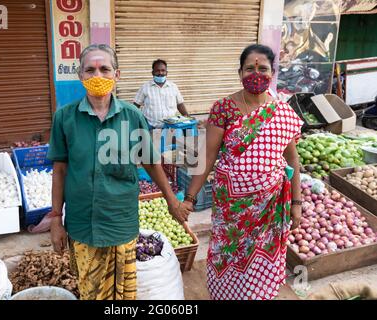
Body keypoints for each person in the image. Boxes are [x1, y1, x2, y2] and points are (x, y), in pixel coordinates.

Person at [47, 44, 190, 300]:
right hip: (82, 223)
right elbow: (60, 170)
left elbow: (151, 162)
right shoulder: (64, 118)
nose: (97, 76)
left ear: (117, 74)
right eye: (90, 70)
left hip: (121, 221)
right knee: (90, 291)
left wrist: (172, 202)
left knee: (122, 294)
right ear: (80, 75)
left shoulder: (132, 116)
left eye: (105, 69)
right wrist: (56, 218)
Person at [182, 44, 304, 300]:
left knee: (262, 256)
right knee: (230, 252)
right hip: (232, 208)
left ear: (272, 73)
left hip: (270, 206)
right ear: (240, 73)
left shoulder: (282, 111)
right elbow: (208, 155)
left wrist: (296, 202)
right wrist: (190, 198)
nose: (256, 73)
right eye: (250, 68)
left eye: (262, 68)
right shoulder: (224, 108)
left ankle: (257, 295)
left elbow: (292, 157)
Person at [133, 59, 190, 129]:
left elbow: (180, 104)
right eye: (157, 70)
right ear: (152, 73)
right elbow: (135, 106)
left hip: (171, 127)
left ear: (166, 72)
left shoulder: (173, 87)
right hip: (150, 127)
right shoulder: (145, 87)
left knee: (170, 140)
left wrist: (187, 117)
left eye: (163, 70)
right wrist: (137, 121)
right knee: (149, 140)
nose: (160, 73)